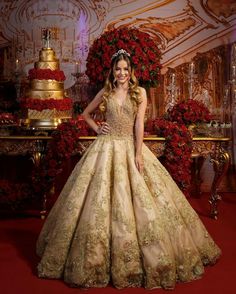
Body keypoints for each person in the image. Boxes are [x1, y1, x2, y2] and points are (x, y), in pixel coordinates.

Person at [36, 49, 221, 290]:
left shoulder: (140, 93)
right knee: (98, 200)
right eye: (117, 69)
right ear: (112, 71)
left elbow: (139, 125)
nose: (122, 73)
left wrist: (137, 154)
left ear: (130, 71)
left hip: (130, 147)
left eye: (125, 69)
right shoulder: (106, 91)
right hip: (106, 147)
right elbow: (85, 114)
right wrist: (96, 127)